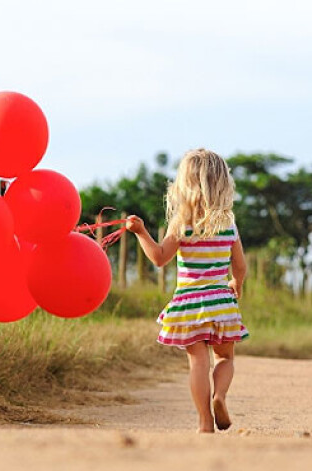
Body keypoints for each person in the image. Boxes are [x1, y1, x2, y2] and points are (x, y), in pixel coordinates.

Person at [126, 148, 248, 433]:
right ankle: (220, 396)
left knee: (197, 363)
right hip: (221, 301)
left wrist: (141, 232)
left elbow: (158, 258)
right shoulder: (228, 223)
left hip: (188, 303)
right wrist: (236, 285)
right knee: (225, 358)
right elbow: (240, 267)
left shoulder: (182, 224)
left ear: (184, 184)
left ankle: (205, 422)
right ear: (222, 183)